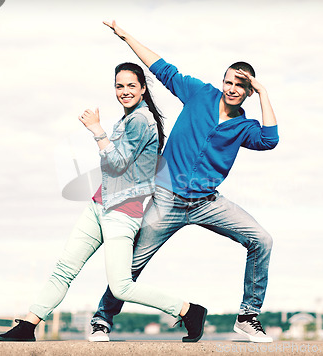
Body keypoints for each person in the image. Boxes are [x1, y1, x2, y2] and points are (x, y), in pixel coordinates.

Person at [88, 21, 279, 343]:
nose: (232, 88)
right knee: (131, 263)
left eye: (241, 85)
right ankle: (101, 319)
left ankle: (248, 316)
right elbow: (162, 69)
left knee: (262, 240)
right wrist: (125, 36)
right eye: (229, 81)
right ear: (222, 82)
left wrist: (265, 93)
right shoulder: (200, 94)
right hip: (167, 198)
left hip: (208, 203)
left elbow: (270, 139)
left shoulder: (245, 126)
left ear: (248, 91)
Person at [0, 62, 207, 343]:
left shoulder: (142, 121)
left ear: (143, 89)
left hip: (122, 211)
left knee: (121, 287)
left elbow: (117, 163)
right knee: (65, 268)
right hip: (98, 205)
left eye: (131, 85)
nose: (125, 91)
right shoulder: (126, 120)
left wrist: (97, 131)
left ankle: (187, 310)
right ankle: (29, 325)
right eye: (119, 86)